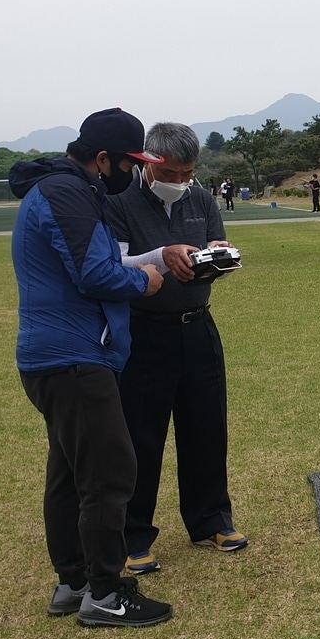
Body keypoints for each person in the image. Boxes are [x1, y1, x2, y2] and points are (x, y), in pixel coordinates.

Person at [9, 107, 173, 628]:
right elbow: (94, 274)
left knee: (70, 473)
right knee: (109, 473)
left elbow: (93, 262)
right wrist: (144, 282)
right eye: (129, 163)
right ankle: (103, 593)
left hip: (63, 356)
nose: (133, 173)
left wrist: (155, 258)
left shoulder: (68, 189)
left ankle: (73, 582)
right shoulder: (68, 192)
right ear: (103, 159)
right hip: (73, 357)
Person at [106, 122, 247, 576]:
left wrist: (218, 257)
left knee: (207, 427)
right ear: (149, 163)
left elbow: (210, 249)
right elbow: (115, 265)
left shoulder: (201, 200)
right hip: (143, 332)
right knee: (140, 437)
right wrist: (163, 254)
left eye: (189, 172)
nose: (182, 181)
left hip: (197, 328)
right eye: (174, 172)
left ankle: (210, 520)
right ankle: (133, 535)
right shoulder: (118, 205)